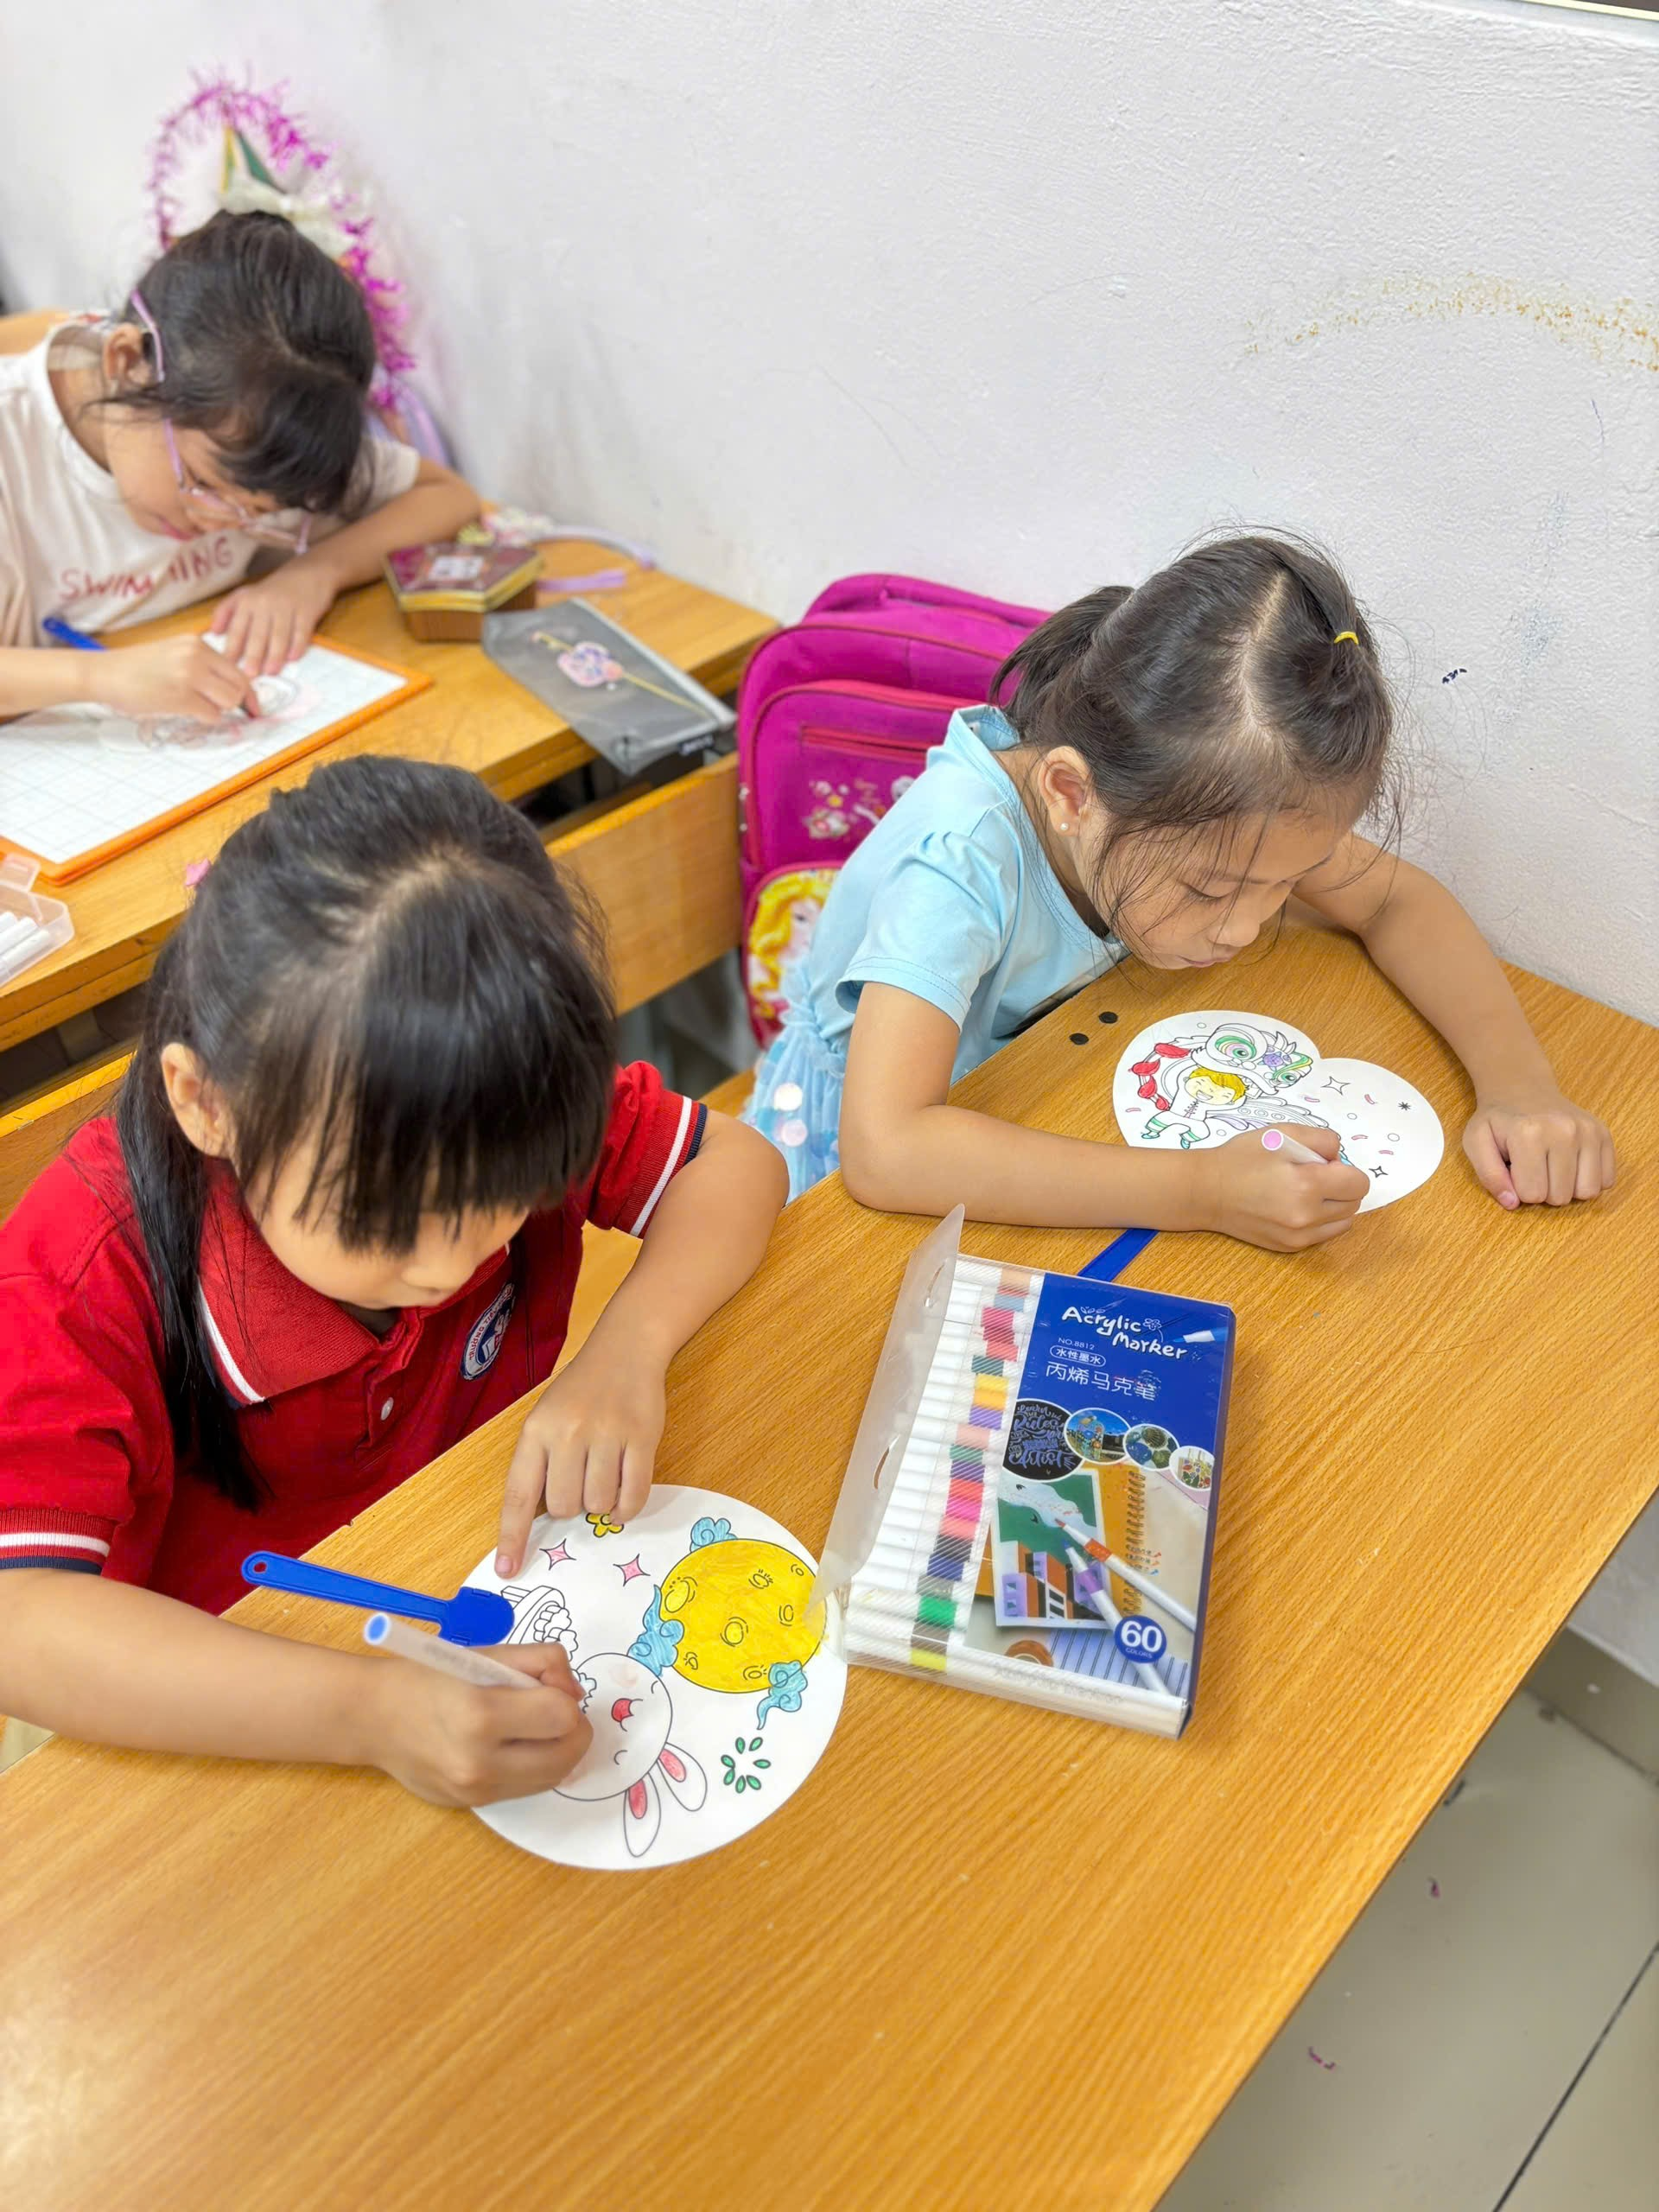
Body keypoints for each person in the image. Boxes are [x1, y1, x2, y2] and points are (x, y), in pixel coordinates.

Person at [0, 758, 788, 1804]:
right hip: (230, 1706)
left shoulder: (490, 1093)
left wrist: (626, 1352)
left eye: (503, 1199)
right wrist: (370, 1713)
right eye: (379, 1222)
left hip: (465, 1572)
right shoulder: (78, 1272)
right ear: (206, 1102)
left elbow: (735, 1163)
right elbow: (23, 1624)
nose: (451, 1264)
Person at [747, 536, 1614, 1244]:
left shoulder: (1210, 801)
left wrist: (1521, 1089)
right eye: (1210, 891)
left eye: (1281, 887)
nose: (1245, 929)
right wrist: (1204, 1191)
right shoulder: (958, 862)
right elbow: (889, 1149)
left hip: (1039, 1087)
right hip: (853, 1164)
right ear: (1070, 793)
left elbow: (1396, 901)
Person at [0, 210, 480, 721]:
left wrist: (315, 572)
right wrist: (97, 678)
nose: (221, 521)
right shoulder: (17, 444)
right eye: (202, 482)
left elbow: (447, 497)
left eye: (259, 511)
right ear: (125, 364)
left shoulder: (265, 424)